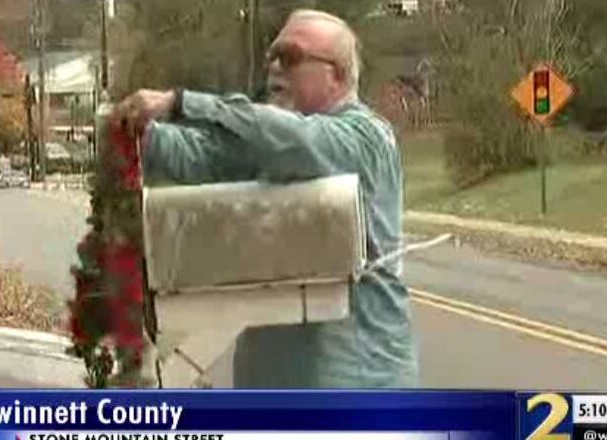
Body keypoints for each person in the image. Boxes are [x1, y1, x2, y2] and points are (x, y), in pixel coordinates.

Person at [116, 9, 417, 388]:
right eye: (270, 57)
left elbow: (298, 141)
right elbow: (203, 155)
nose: (274, 67)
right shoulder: (270, 144)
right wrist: (136, 133)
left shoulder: (367, 137)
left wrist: (183, 103)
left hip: (360, 386)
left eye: (289, 58)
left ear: (336, 73)